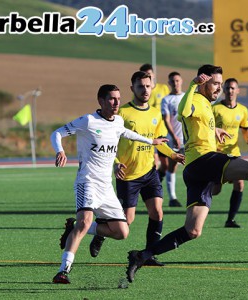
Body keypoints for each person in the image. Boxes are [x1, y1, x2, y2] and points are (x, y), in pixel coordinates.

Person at [125, 64, 248, 283]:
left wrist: (214, 130)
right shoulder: (196, 98)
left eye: (220, 84)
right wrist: (192, 85)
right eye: (215, 84)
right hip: (203, 160)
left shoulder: (206, 105)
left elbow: (197, 124)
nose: (219, 88)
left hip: (195, 169)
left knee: (192, 231)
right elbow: (183, 112)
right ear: (203, 82)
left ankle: (142, 255)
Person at [51, 84, 169, 284]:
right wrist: (60, 150)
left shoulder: (118, 121)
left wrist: (151, 142)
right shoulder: (88, 121)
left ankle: (76, 227)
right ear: (101, 101)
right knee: (85, 221)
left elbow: (125, 133)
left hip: (106, 187)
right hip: (87, 182)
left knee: (122, 232)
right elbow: (57, 133)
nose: (116, 103)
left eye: (118, 98)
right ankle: (63, 271)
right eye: (112, 99)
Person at [87, 71, 185, 267]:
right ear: (132, 89)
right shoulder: (121, 114)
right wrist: (115, 162)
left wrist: (173, 154)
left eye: (148, 86)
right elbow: (106, 142)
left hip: (149, 172)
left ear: (152, 87)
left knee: (157, 212)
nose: (145, 90)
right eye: (140, 86)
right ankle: (98, 232)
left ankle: (148, 254)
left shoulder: (156, 114)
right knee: (126, 220)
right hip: (128, 175)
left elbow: (158, 142)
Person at [212, 78, 248, 228]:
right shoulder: (215, 109)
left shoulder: (242, 110)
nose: (230, 91)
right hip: (217, 153)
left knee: (240, 183)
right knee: (216, 190)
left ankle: (230, 220)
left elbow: (245, 129)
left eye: (233, 88)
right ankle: (199, 195)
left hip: (234, 153)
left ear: (238, 90)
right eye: (227, 88)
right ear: (223, 90)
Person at [139, 63, 171, 178]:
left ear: (153, 74)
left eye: (150, 74)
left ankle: (156, 182)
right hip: (148, 131)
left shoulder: (163, 88)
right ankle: (151, 186)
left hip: (162, 130)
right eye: (145, 75)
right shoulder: (141, 92)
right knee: (154, 162)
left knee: (166, 164)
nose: (149, 76)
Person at [159, 71, 185, 207]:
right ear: (169, 83)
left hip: (188, 140)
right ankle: (172, 198)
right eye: (172, 81)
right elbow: (166, 119)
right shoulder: (166, 100)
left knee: (193, 167)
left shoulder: (187, 97)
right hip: (173, 139)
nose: (175, 83)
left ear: (181, 81)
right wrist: (174, 136)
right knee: (172, 167)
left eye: (177, 80)